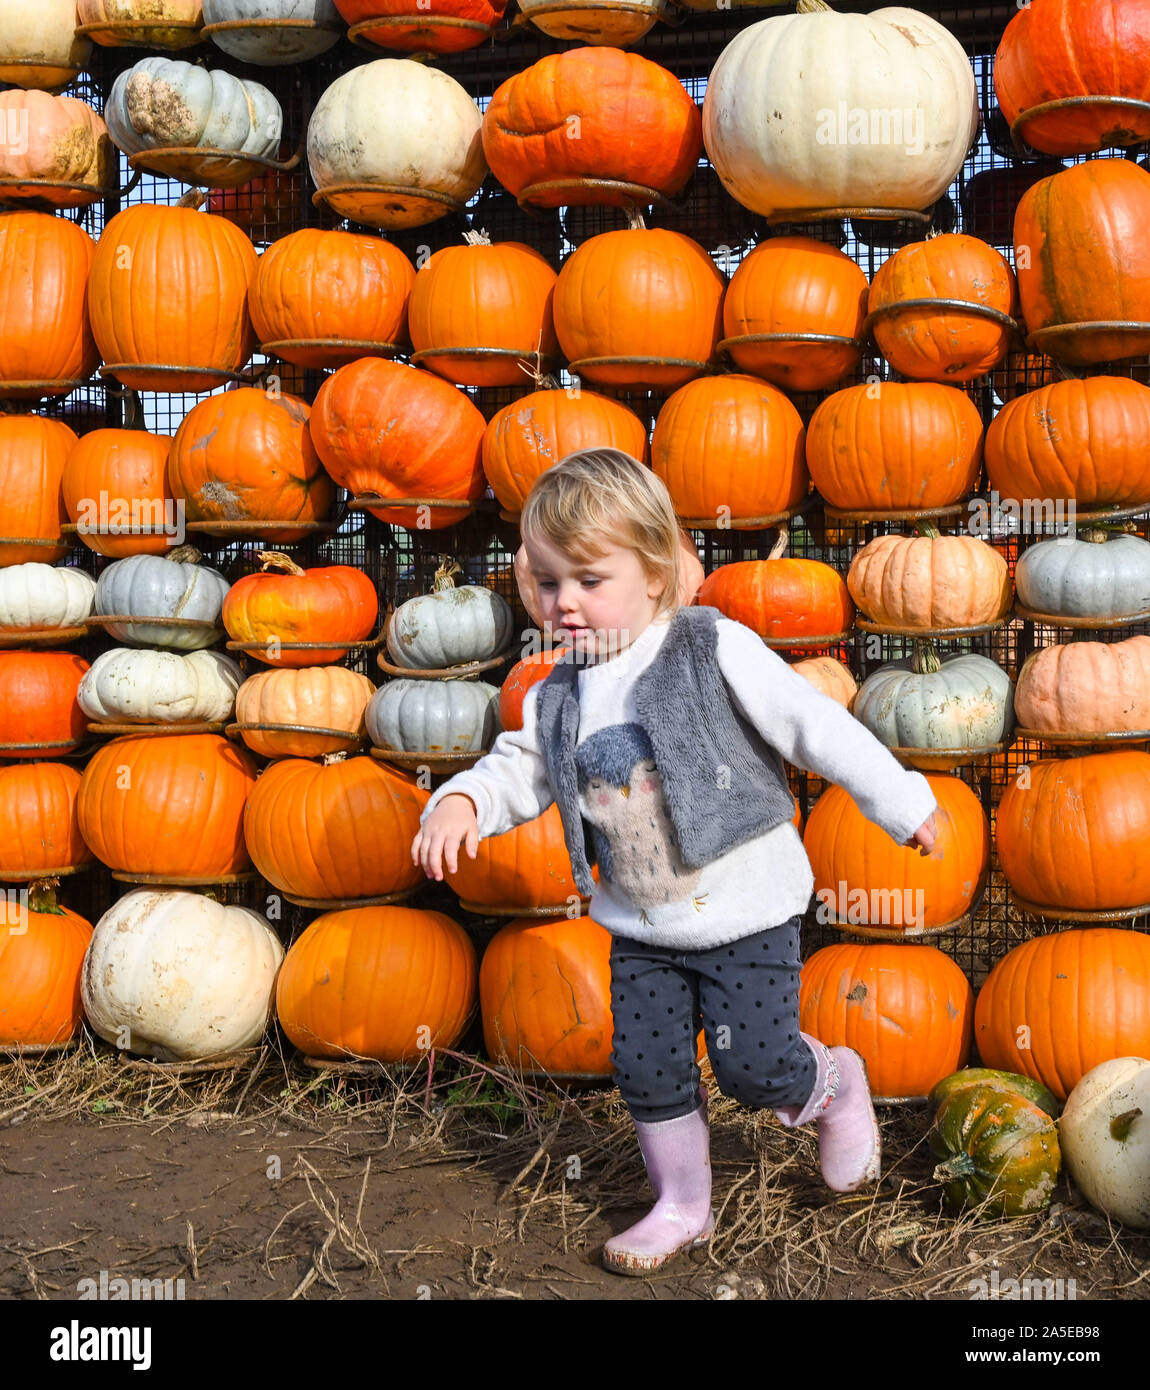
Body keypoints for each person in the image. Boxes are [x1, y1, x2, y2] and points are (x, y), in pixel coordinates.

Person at [412, 449, 939, 1276]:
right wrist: (463, 801)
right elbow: (522, 765)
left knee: (753, 1067)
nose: (567, 603)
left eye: (591, 579)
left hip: (746, 912)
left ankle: (833, 1083)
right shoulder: (559, 692)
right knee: (648, 1069)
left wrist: (900, 799)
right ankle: (682, 1206)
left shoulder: (709, 646)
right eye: (549, 584)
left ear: (656, 574)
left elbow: (812, 724)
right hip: (640, 927)